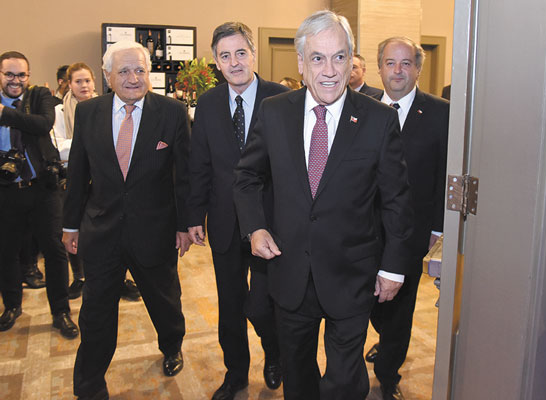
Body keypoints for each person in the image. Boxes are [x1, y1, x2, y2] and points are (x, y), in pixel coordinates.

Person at [233, 10, 414, 400]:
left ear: (352, 61)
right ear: (300, 63)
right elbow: (247, 177)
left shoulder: (379, 120)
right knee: (297, 371)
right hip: (289, 269)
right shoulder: (275, 112)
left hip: (352, 274)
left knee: (345, 380)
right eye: (317, 57)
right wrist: (255, 227)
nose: (329, 70)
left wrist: (394, 267)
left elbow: (396, 200)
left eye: (339, 57)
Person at [62, 40, 190, 400]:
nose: (133, 78)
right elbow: (77, 173)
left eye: (140, 70)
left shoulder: (172, 112)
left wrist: (185, 225)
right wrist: (70, 224)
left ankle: (172, 345)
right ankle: (89, 384)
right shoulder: (90, 113)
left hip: (156, 230)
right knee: (96, 312)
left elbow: (185, 176)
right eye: (124, 71)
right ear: (106, 76)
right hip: (102, 230)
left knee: (164, 301)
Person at [188, 21, 287, 400]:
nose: (234, 62)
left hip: (270, 223)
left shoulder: (282, 100)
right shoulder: (209, 103)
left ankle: (274, 355)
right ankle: (236, 374)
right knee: (230, 305)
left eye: (240, 53)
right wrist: (194, 216)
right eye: (225, 56)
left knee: (262, 304)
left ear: (253, 53)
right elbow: (199, 164)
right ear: (215, 62)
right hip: (226, 224)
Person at [365, 36, 449, 400]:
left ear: (417, 68)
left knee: (401, 307)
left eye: (405, 63)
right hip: (363, 233)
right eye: (389, 62)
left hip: (412, 234)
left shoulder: (441, 113)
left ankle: (388, 376)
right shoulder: (360, 108)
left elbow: (446, 175)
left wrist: (438, 231)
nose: (397, 71)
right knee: (368, 303)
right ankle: (383, 338)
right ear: (379, 67)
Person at [0, 51, 78, 338]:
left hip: (42, 188)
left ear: (28, 76)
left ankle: (61, 312)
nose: (16, 80)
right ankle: (11, 305)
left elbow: (42, 124)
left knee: (55, 251)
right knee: (6, 251)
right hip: (7, 191)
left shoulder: (40, 96)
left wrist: (4, 114)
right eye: (9, 74)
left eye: (21, 75)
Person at [52, 62, 141, 301]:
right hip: (73, 180)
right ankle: (80, 277)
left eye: (87, 81)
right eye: (78, 81)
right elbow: (59, 148)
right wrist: (87, 145)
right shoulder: (61, 112)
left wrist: (87, 147)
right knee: (76, 230)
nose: (83, 85)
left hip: (106, 185)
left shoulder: (109, 109)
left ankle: (120, 277)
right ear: (68, 84)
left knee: (112, 236)